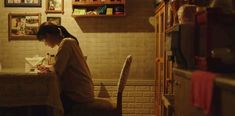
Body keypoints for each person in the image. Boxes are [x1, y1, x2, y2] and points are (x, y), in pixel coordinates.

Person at [36, 22, 94, 115]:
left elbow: (58, 70)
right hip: (83, 90)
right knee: (48, 100)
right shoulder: (69, 41)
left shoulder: (66, 43)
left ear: (48, 36)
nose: (45, 44)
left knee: (46, 103)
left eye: (44, 40)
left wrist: (48, 68)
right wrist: (48, 67)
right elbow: (59, 67)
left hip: (79, 93)